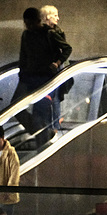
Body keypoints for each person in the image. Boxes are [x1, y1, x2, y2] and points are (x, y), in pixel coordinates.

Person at [11, 8, 69, 146]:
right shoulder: (26, 35)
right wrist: (22, 74)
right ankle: (42, 133)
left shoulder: (49, 34)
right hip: (28, 78)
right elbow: (23, 56)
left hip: (45, 80)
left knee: (39, 114)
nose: (29, 27)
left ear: (38, 21)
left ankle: (42, 144)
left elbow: (67, 49)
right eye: (27, 24)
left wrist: (57, 63)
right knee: (15, 107)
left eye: (31, 24)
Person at [40, 5, 72, 131]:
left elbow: (67, 49)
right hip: (48, 67)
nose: (58, 18)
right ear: (47, 17)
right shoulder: (48, 32)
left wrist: (57, 63)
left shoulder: (53, 33)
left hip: (53, 67)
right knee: (49, 97)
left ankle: (53, 125)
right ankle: (51, 125)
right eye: (55, 15)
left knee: (54, 98)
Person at [0, 125, 20, 215]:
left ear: (3, 138)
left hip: (7, 199)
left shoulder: (11, 154)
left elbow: (14, 175)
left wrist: (8, 191)